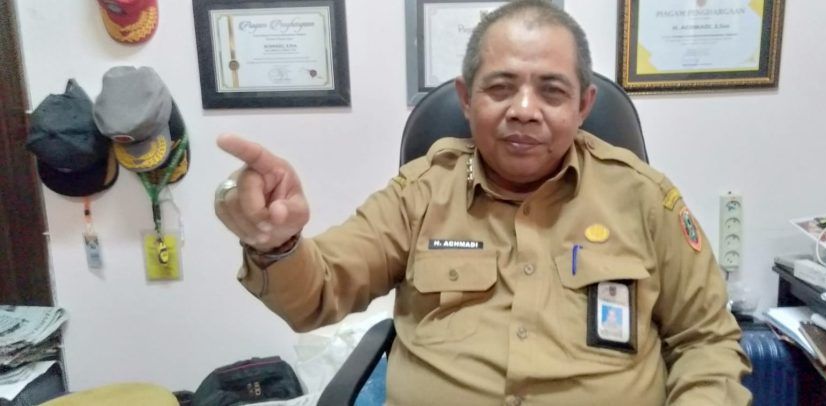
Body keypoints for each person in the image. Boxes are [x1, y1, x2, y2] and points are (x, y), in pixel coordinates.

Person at [213, 1, 751, 404]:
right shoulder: (421, 192)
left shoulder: (644, 199)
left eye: (552, 91)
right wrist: (277, 243)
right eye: (500, 88)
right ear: (466, 98)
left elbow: (707, 339)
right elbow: (319, 291)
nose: (524, 109)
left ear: (584, 105)